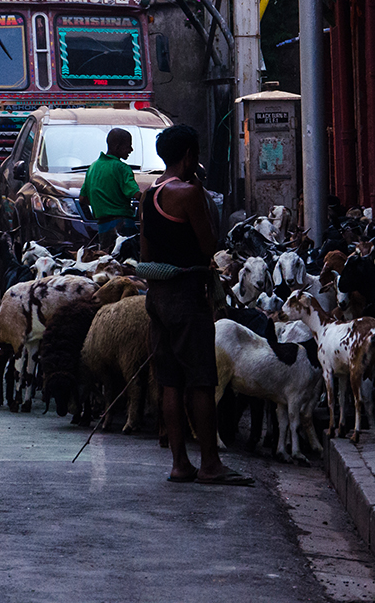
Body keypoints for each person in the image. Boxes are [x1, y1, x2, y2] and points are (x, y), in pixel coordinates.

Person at [140, 124, 253, 486]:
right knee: (202, 381)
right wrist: (203, 195)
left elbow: (144, 251)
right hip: (187, 294)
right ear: (190, 156)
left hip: (157, 294)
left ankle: (180, 463)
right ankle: (210, 464)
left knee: (170, 381)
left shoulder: (150, 193)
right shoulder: (188, 193)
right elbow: (209, 246)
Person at [80, 128, 141, 237]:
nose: (131, 149)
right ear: (117, 146)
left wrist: (103, 203)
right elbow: (136, 194)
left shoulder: (93, 168)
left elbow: (83, 199)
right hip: (124, 226)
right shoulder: (122, 168)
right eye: (128, 146)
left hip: (102, 227)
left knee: (105, 253)